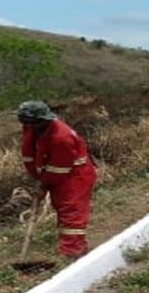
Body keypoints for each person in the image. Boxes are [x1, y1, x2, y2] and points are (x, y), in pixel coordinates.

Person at [17, 100, 97, 258]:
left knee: (71, 209)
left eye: (29, 122)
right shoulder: (32, 128)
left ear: (40, 120)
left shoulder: (61, 138)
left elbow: (59, 167)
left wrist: (43, 185)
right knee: (62, 208)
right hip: (57, 173)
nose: (25, 125)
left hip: (74, 175)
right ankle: (76, 246)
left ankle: (72, 251)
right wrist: (37, 177)